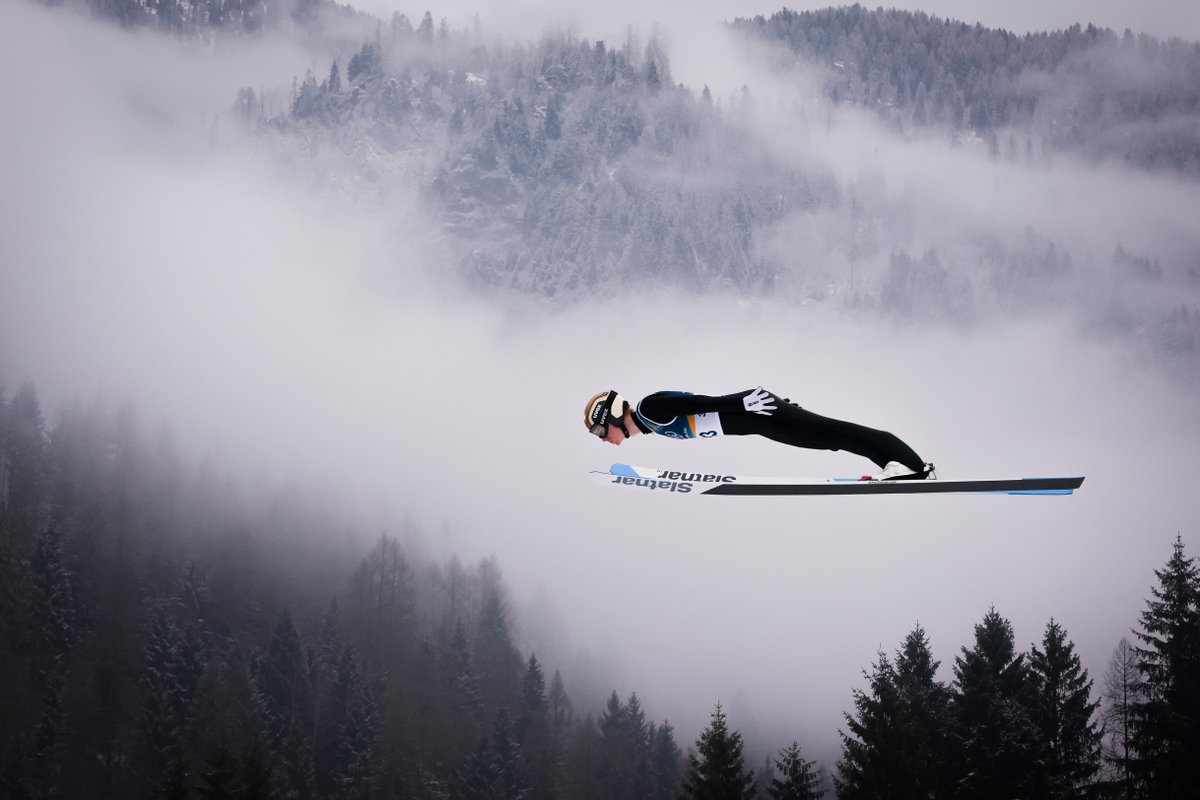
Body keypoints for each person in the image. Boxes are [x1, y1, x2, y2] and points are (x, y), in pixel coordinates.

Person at [583, 387, 934, 481]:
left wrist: (745, 403)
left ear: (612, 416)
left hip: (756, 411)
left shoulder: (648, 409)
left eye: (600, 430)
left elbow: (705, 402)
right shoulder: (650, 422)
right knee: (830, 439)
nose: (603, 439)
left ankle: (911, 466)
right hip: (759, 419)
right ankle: (900, 465)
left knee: (833, 433)